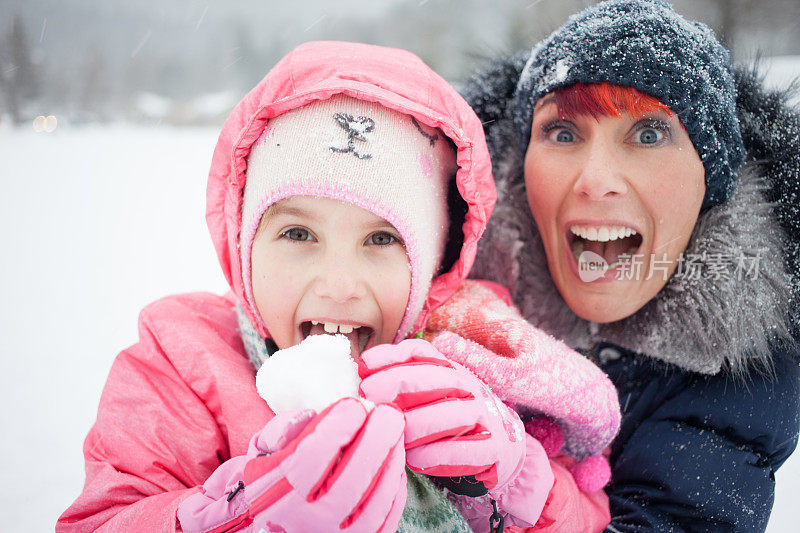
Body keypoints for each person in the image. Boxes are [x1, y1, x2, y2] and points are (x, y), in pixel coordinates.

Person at [57, 41, 619, 532]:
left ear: (431, 266)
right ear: (245, 246)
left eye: (381, 240)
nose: (340, 283)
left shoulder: (483, 357)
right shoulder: (181, 362)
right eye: (299, 232)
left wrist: (513, 480)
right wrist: (242, 511)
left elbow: (589, 514)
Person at [454, 0, 800, 530]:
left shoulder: (743, 374)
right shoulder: (445, 303)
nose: (596, 179)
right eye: (563, 133)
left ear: (712, 181)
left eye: (648, 134)